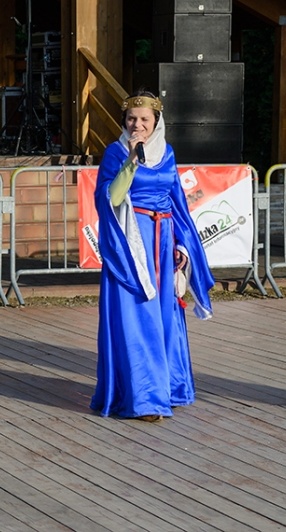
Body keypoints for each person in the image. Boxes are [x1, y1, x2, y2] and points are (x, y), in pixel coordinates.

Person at [90, 90, 215, 421]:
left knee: (165, 317)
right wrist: (132, 161)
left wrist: (181, 244)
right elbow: (111, 198)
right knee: (137, 317)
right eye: (132, 119)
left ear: (156, 122)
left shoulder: (167, 153)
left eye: (144, 119)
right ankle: (143, 398)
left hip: (162, 242)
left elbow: (177, 202)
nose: (138, 125)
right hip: (132, 244)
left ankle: (167, 388)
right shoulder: (116, 152)